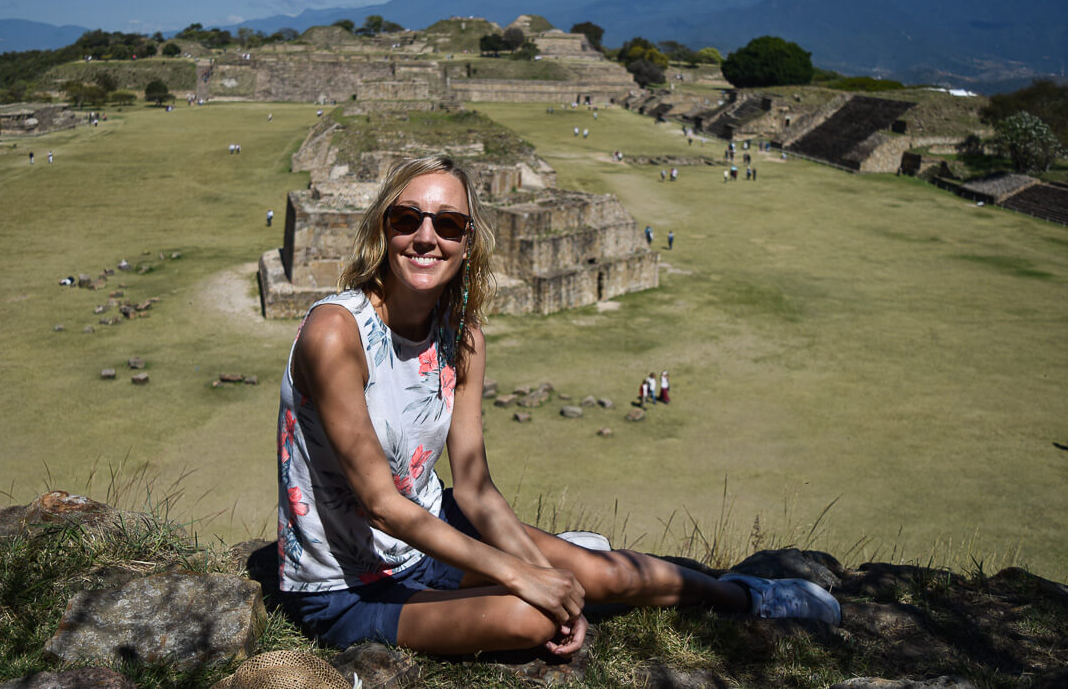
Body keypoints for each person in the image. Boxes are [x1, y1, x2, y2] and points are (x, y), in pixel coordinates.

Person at [275, 156, 841, 657]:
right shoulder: (335, 332)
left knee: (602, 576)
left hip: (434, 531)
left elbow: (473, 487)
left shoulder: (462, 337)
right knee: (536, 614)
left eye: (448, 224)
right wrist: (524, 577)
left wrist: (546, 572)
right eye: (408, 219)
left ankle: (745, 594)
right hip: (346, 586)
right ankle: (556, 564)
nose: (427, 238)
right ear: (384, 228)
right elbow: (381, 505)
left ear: (468, 243)